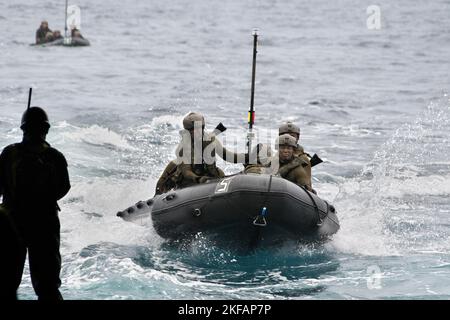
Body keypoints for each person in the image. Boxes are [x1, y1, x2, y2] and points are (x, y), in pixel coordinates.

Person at [0, 106, 71, 300]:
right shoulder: (55, 156)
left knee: (5, 283)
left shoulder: (9, 153)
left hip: (12, 223)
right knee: (48, 287)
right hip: (45, 224)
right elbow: (64, 187)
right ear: (46, 130)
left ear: (23, 129)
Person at [155, 112, 247, 193]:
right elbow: (187, 171)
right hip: (189, 180)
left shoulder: (209, 140)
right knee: (168, 176)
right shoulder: (183, 148)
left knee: (220, 173)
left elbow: (228, 156)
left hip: (207, 175)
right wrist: (199, 179)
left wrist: (247, 157)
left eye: (199, 128)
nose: (197, 131)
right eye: (193, 129)